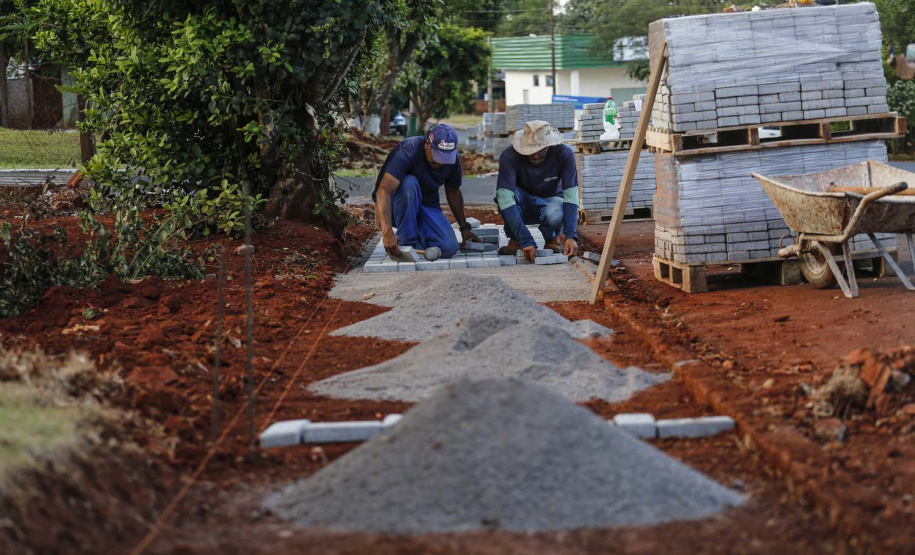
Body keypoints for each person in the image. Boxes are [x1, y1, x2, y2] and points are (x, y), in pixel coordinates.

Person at [373, 124, 479, 259]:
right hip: (398, 206)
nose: (440, 163)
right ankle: (406, 244)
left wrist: (464, 228)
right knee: (409, 183)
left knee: (449, 248)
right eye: (437, 156)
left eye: (445, 158)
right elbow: (383, 192)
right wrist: (387, 231)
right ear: (427, 144)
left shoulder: (453, 159)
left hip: (427, 205)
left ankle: (412, 241)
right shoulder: (407, 151)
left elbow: (453, 191)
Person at [495, 120, 579, 262]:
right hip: (522, 201)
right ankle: (516, 239)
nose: (535, 155)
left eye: (540, 150)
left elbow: (571, 196)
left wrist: (571, 235)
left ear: (549, 145)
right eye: (530, 150)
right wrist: (525, 240)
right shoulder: (509, 156)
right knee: (504, 196)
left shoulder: (564, 154)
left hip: (550, 200)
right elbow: (505, 197)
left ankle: (552, 238)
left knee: (556, 212)